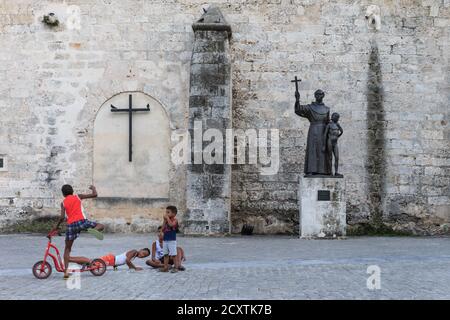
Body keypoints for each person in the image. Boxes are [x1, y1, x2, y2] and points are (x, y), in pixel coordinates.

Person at [51, 184, 104, 279]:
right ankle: (93, 230)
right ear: (72, 191)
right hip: (81, 222)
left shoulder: (63, 203)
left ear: (63, 194)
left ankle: (66, 272)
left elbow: (62, 217)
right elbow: (95, 195)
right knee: (101, 226)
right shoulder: (78, 196)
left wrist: (56, 226)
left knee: (67, 249)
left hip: (71, 226)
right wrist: (93, 188)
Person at [294, 88, 332, 175]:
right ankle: (311, 170)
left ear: (323, 96)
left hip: (323, 132)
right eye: (317, 94)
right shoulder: (310, 107)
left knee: (323, 151)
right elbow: (298, 110)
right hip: (313, 130)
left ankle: (323, 171)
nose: (319, 96)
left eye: (321, 94)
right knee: (312, 150)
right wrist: (297, 100)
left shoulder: (327, 109)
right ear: (315, 96)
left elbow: (328, 121)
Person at [70, 248, 150, 271]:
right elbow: (127, 261)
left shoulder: (135, 255)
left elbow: (121, 259)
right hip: (111, 259)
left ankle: (71, 259)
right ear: (141, 250)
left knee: (90, 263)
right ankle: (70, 259)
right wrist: (134, 268)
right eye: (143, 253)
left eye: (144, 256)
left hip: (112, 260)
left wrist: (115, 267)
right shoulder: (134, 251)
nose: (142, 255)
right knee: (91, 262)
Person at [160, 205, 180, 273]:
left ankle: (176, 267)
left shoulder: (175, 220)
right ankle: (165, 267)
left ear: (174, 214)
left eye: (168, 212)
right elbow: (162, 228)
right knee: (165, 254)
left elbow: (171, 225)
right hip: (165, 240)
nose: (166, 214)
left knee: (173, 255)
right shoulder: (166, 220)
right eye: (166, 212)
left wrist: (167, 219)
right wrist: (164, 221)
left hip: (172, 240)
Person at [323, 112, 343, 177]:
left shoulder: (337, 124)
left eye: (338, 118)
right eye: (337, 117)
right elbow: (325, 134)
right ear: (333, 117)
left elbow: (342, 131)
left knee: (337, 157)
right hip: (330, 142)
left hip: (335, 143)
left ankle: (336, 172)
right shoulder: (329, 125)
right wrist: (324, 145)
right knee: (330, 157)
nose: (338, 119)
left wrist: (337, 136)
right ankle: (330, 172)